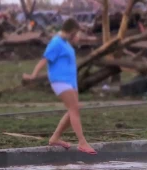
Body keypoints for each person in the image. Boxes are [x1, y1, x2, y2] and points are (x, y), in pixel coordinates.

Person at [22, 18, 97, 155]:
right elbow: (44, 59)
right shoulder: (56, 42)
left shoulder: (66, 43)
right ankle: (82, 142)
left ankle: (55, 138)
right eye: (76, 33)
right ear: (72, 31)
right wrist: (33, 75)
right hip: (60, 80)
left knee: (73, 110)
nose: (77, 36)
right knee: (74, 110)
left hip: (70, 82)